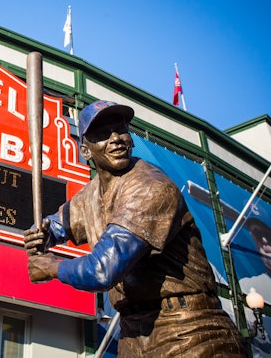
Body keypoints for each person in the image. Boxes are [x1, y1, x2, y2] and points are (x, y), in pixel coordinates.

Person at [24, 100, 246, 357]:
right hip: (134, 333)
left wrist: (52, 267)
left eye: (121, 130)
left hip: (190, 329)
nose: (116, 139)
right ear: (85, 150)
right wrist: (41, 234)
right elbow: (56, 225)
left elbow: (103, 270)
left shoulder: (150, 186)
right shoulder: (91, 195)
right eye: (103, 134)